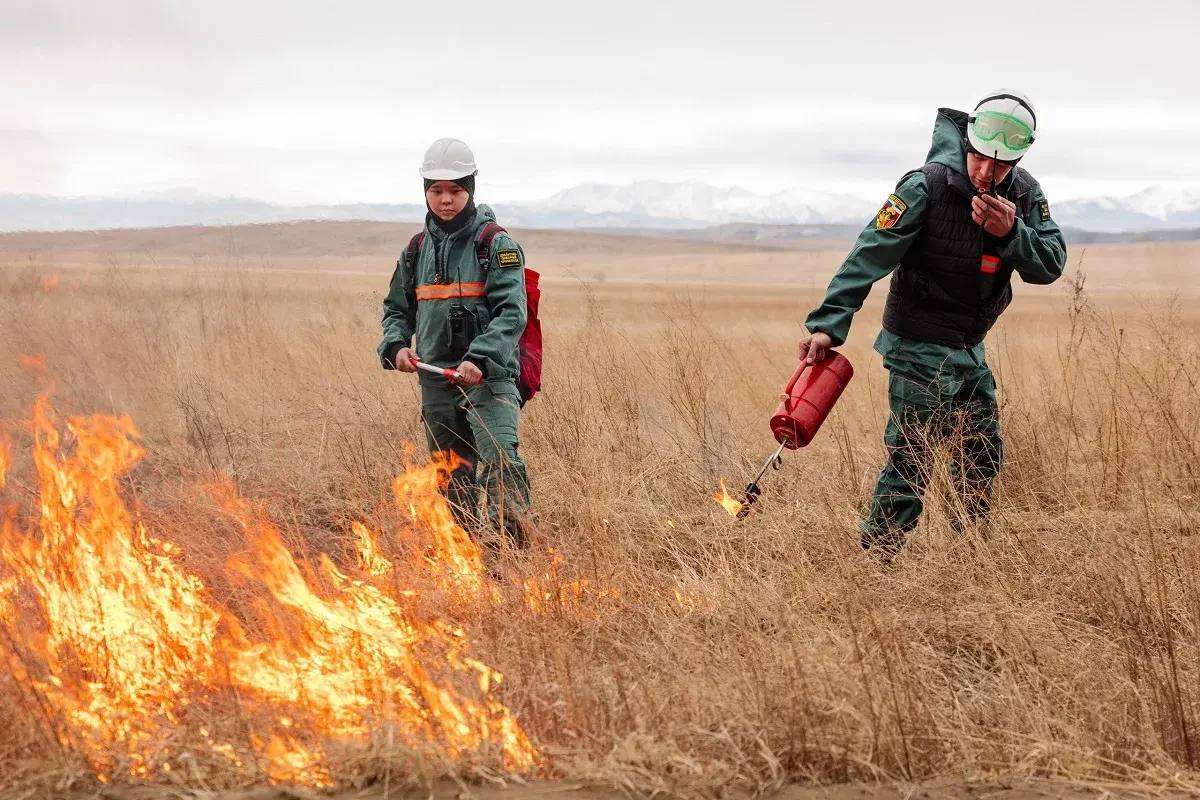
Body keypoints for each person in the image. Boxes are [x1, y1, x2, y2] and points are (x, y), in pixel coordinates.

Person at [797, 90, 1067, 558]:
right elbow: (868, 254)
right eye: (980, 158)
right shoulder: (924, 185)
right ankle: (876, 561)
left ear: (1020, 157)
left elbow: (1050, 264)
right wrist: (827, 324)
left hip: (968, 346)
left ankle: (972, 558)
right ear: (968, 140)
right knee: (913, 457)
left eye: (1000, 165)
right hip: (917, 341)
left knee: (981, 453)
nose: (986, 172)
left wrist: (1012, 234)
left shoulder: (1024, 194)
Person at [378, 137, 532, 550]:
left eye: (455, 190)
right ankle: (465, 560)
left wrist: (480, 358)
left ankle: (513, 559)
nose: (445, 200)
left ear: (471, 188)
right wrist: (396, 347)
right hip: (435, 379)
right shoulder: (415, 251)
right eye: (436, 191)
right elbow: (396, 310)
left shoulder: (496, 246)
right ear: (425, 191)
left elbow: (512, 313)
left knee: (501, 461)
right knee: (451, 473)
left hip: (487, 378)